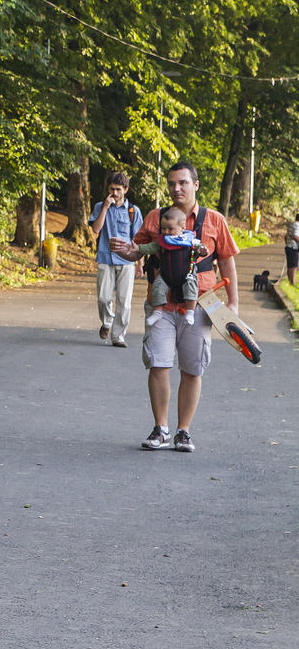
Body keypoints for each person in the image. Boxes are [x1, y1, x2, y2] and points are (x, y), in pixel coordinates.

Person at [110, 161, 239, 454]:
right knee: (158, 363)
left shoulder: (214, 220)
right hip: (162, 305)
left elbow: (227, 259)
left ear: (195, 185)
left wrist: (233, 301)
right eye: (171, 183)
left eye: (182, 182)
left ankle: (184, 431)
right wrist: (123, 249)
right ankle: (161, 429)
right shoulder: (156, 217)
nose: (176, 188)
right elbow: (136, 250)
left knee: (192, 369)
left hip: (201, 304)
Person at [89, 171, 143, 348]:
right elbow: (96, 230)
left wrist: (140, 264)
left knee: (124, 302)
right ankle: (107, 322)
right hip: (105, 257)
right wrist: (105, 207)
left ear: (126, 189)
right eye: (112, 189)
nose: (115, 193)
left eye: (118, 189)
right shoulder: (100, 206)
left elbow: (138, 240)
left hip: (127, 261)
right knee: (104, 298)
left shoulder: (133, 211)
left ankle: (118, 336)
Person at [136, 206, 210, 327]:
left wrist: (202, 250)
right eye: (163, 228)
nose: (166, 232)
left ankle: (190, 312)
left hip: (187, 274)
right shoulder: (163, 241)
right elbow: (150, 247)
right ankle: (157, 311)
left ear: (183, 228)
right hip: (165, 274)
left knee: (191, 287)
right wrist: (138, 248)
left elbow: (201, 249)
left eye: (170, 229)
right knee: (157, 287)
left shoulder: (190, 240)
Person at [285, 213, 299, 286]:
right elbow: (296, 236)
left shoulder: (291, 224)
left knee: (289, 266)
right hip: (293, 247)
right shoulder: (297, 225)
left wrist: (287, 243)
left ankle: (290, 281)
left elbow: (286, 236)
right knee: (294, 266)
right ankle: (292, 283)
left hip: (288, 246)